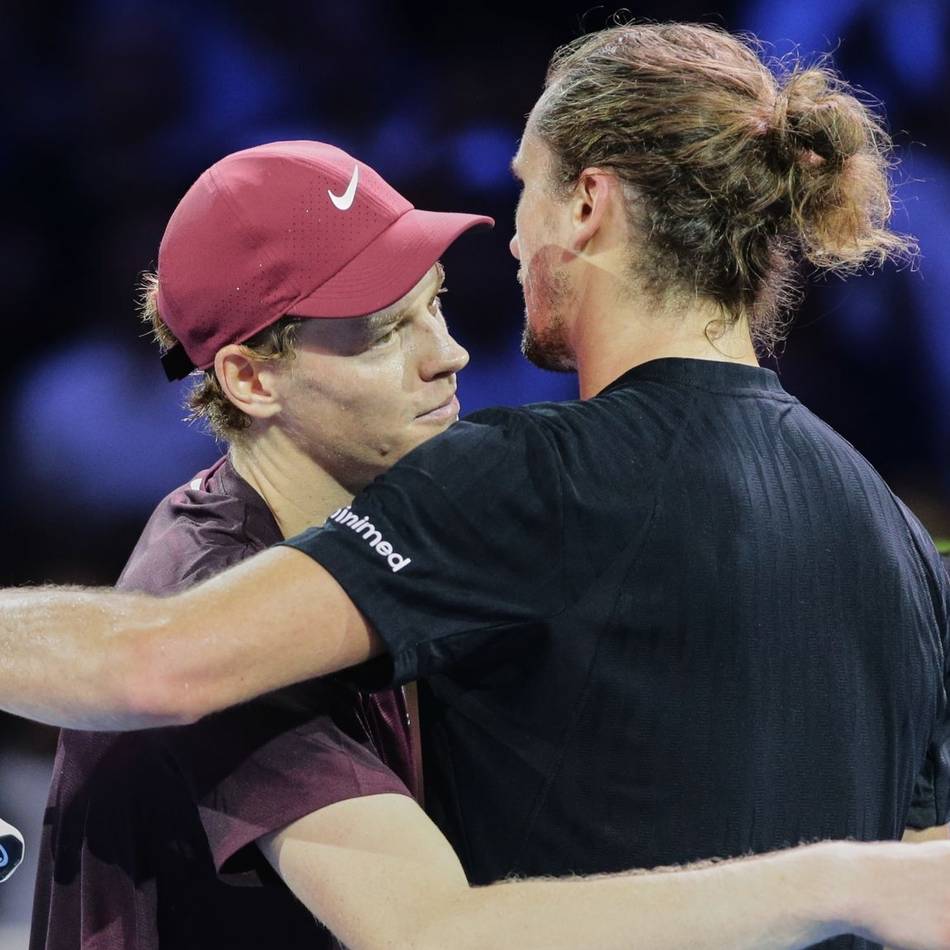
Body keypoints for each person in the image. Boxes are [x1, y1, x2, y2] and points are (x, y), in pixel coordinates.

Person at [4, 23, 950, 950]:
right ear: (251, 377)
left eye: (523, 190)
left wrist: (837, 883)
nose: (454, 349)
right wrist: (838, 883)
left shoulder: (520, 482)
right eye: (385, 328)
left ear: (587, 203)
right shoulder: (904, 539)